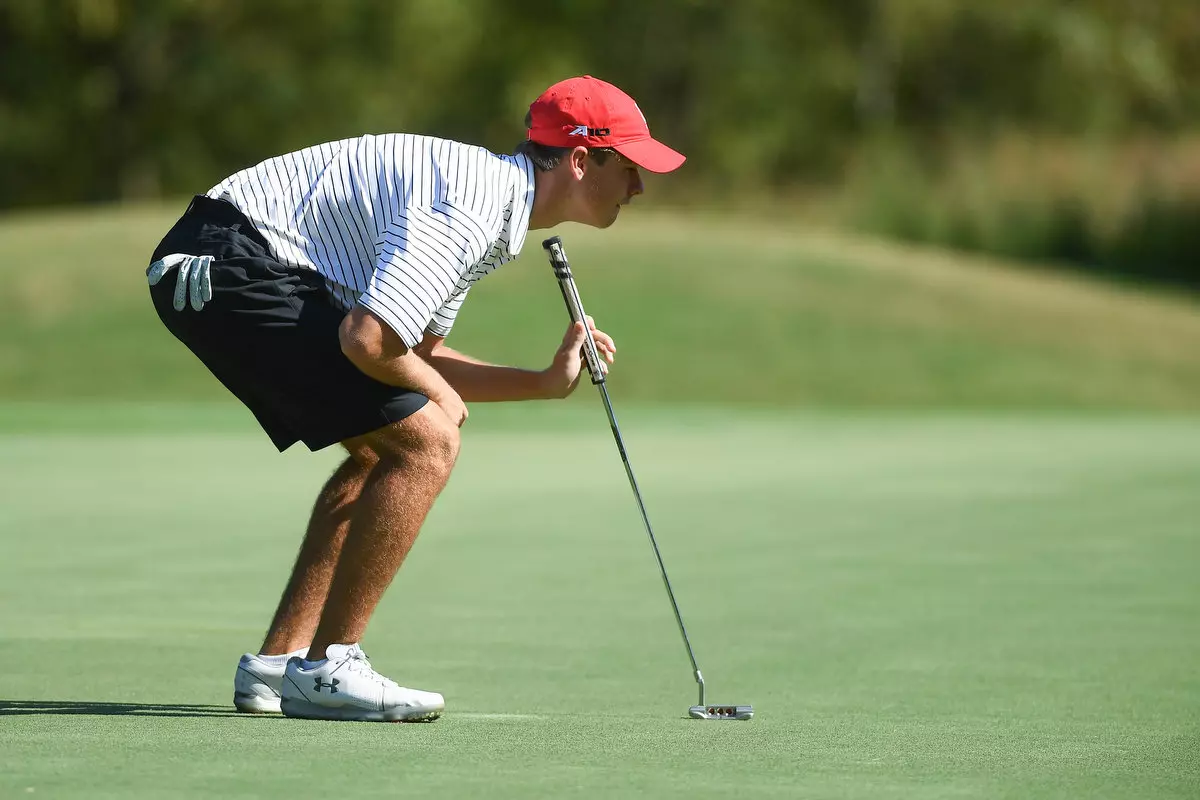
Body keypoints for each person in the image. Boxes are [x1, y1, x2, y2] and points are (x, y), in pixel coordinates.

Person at [145, 75, 685, 722]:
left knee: (385, 445)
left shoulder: (492, 207)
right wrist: (435, 404)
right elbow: (369, 339)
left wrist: (542, 381)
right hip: (225, 264)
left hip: (222, 262)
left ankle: (276, 668)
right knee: (427, 442)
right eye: (628, 167)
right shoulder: (469, 204)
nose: (639, 187)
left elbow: (412, 352)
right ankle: (330, 666)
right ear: (578, 160)